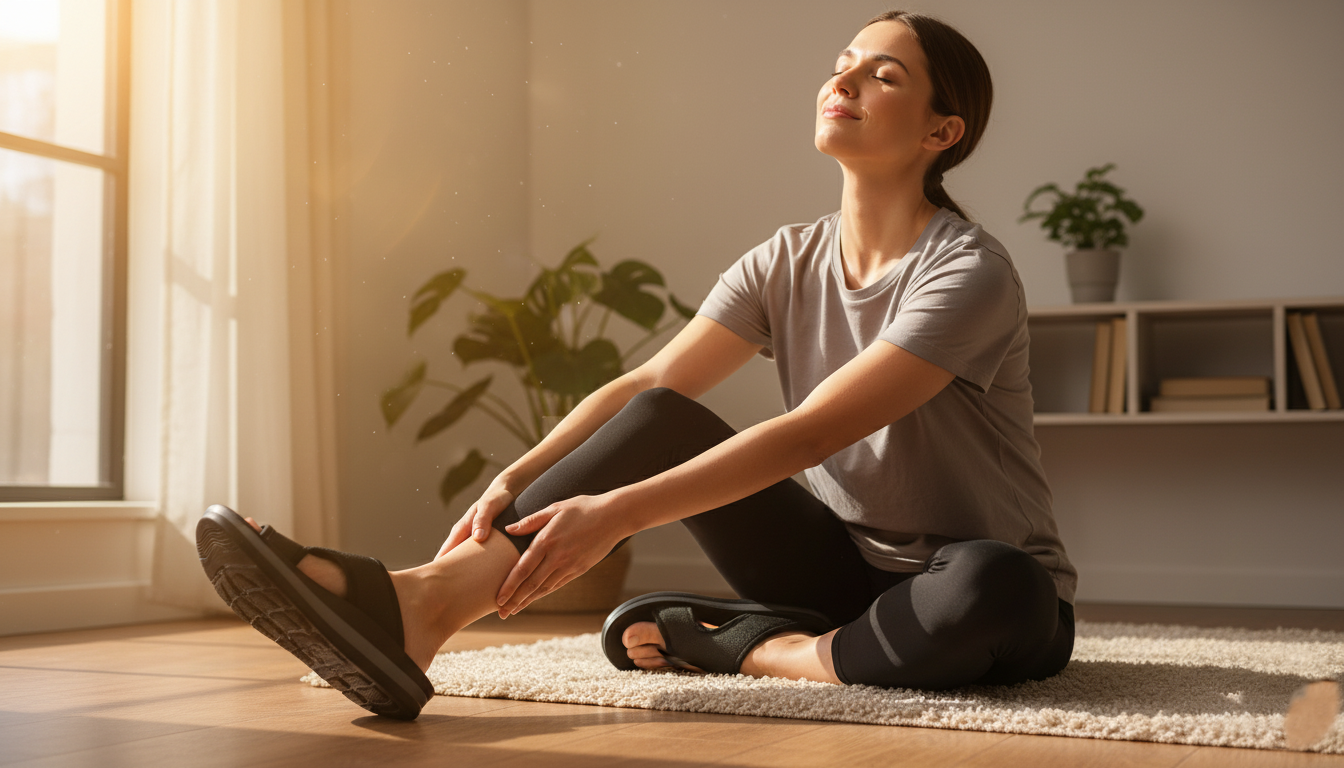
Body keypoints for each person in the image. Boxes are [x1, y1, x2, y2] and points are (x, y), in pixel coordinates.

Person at [197, 9, 1076, 721]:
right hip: (839, 570)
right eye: (842, 61)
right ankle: (420, 606)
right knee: (659, 420)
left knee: (993, 585)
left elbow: (814, 431)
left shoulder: (969, 273)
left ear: (942, 130)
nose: (841, 79)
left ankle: (747, 646)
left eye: (883, 74)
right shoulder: (784, 260)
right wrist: (523, 470)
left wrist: (614, 514)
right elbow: (653, 386)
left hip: (976, 582)